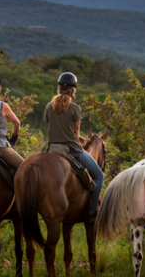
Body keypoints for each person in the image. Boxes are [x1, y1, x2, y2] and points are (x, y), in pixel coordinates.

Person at [43, 72, 104, 222]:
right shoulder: (75, 108)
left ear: (59, 89)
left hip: (52, 149)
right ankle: (92, 210)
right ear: (73, 90)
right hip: (72, 149)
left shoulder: (49, 106)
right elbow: (75, 133)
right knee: (98, 175)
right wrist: (79, 137)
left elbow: (51, 124)